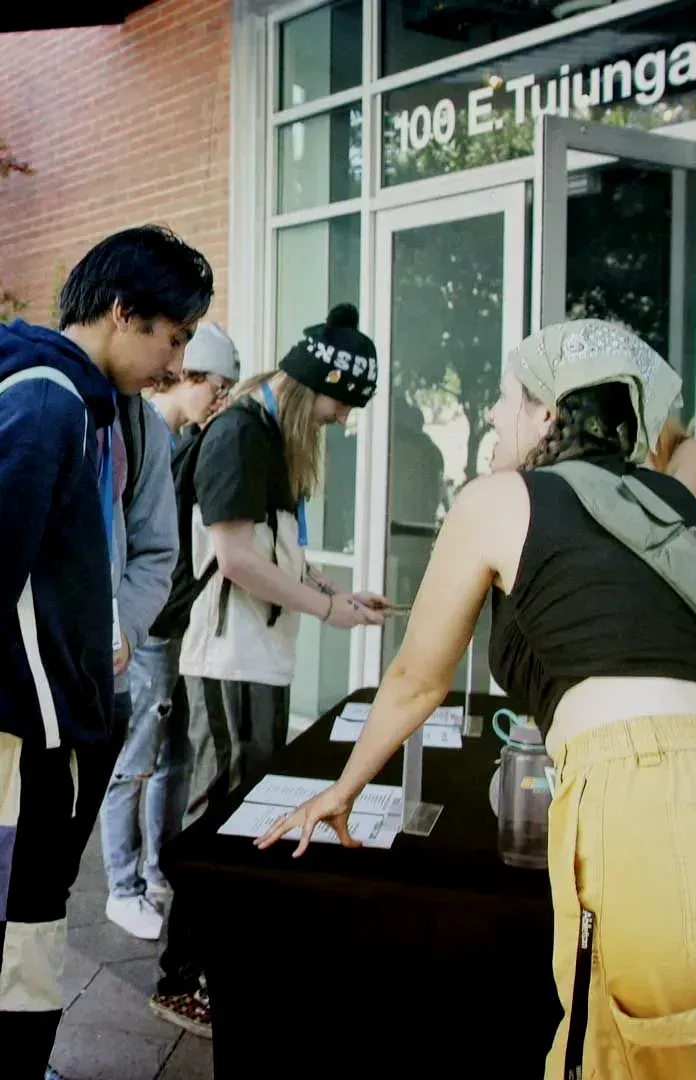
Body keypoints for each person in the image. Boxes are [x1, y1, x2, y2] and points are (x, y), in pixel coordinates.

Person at [258, 319, 696, 1079]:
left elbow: (414, 680)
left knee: (622, 1058)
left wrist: (342, 790)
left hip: (646, 798)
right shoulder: (668, 504)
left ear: (550, 414)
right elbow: (688, 449)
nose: (493, 415)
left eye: (506, 397)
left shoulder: (499, 499)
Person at [0, 224, 213, 1077]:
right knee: (24, 918)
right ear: (125, 314)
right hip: (31, 724)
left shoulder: (93, 406)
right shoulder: (49, 398)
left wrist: (107, 634)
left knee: (34, 915)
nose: (176, 359)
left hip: (66, 712)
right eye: (174, 334)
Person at [150, 302, 389, 1036]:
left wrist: (332, 594)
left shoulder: (263, 435)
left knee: (239, 805)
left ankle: (217, 964)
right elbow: (235, 560)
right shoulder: (238, 433)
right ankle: (181, 976)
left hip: (256, 656)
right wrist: (326, 610)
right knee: (221, 812)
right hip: (227, 657)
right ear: (310, 385)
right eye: (341, 404)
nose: (344, 421)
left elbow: (275, 553)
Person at [99, 323, 239, 940]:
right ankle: (121, 885)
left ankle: (156, 872)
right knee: (135, 760)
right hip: (145, 630)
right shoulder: (150, 435)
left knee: (174, 759)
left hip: (175, 625)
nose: (223, 398)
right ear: (188, 375)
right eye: (217, 384)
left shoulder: (185, 438)